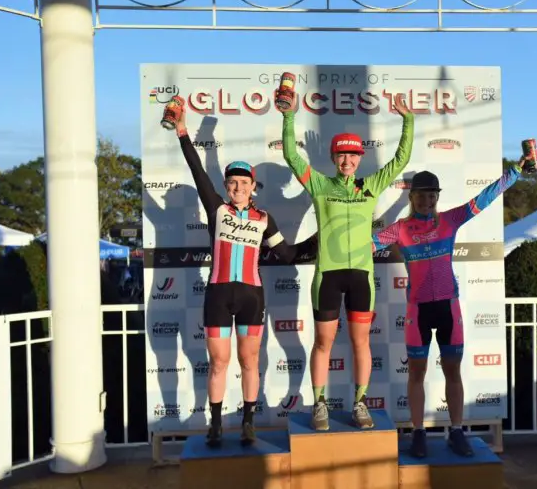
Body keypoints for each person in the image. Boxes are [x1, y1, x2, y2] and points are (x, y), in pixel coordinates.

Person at [172, 105, 318, 447]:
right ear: (226, 185)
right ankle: (217, 424)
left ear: (254, 187)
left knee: (249, 360)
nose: (238, 187)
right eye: (233, 182)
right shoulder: (217, 209)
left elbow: (287, 254)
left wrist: (323, 237)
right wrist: (183, 131)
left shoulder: (265, 218)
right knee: (219, 362)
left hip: (252, 296)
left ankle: (249, 423)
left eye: (244, 183)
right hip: (218, 296)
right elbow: (198, 170)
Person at [371, 155, 534, 457]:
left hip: (448, 308)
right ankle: (418, 432)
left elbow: (483, 199)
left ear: (436, 197)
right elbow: (365, 244)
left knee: (453, 373)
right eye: (421, 195)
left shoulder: (449, 219)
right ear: (412, 197)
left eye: (431, 195)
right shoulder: (400, 228)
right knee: (416, 375)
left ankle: (456, 431)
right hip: (418, 310)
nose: (426, 200)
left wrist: (514, 172)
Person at [277, 85, 414, 431]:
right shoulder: (321, 186)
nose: (348, 161)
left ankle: (360, 403)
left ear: (360, 159)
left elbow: (401, 161)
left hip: (361, 278)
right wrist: (289, 116)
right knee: (323, 342)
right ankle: (319, 403)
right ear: (334, 158)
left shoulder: (370, 186)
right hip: (328, 275)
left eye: (353, 156)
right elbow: (292, 157)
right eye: (342, 156)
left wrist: (408, 120)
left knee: (360, 342)